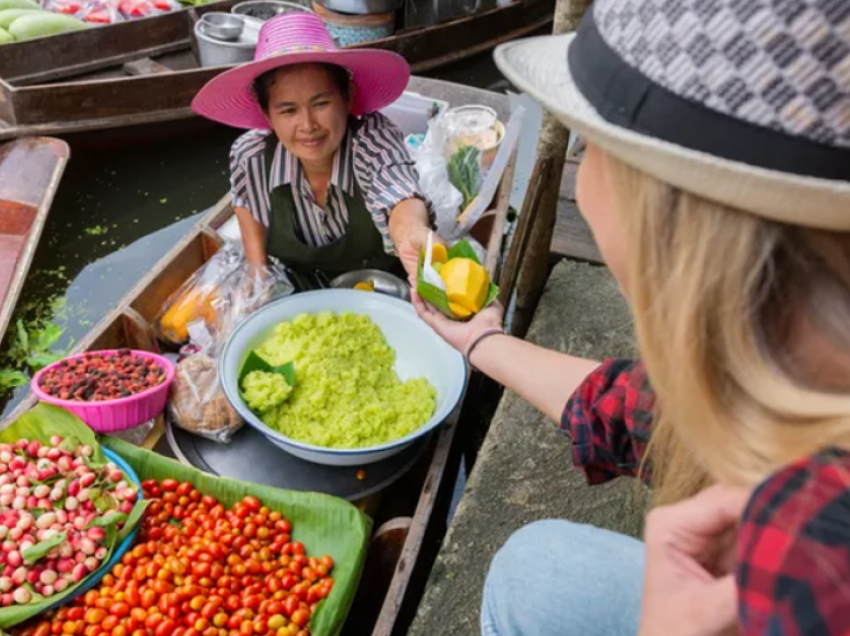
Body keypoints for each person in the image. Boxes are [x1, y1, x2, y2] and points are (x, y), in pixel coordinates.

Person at [413, 0, 850, 634]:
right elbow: (644, 411)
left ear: (676, 223)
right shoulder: (790, 367)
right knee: (533, 571)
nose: (584, 181)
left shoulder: (809, 556)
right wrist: (481, 341)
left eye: (592, 145)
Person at [192, 12, 435, 291]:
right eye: (288, 110)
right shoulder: (252, 157)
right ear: (267, 115)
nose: (308, 125)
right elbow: (246, 204)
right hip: (303, 293)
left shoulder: (373, 139)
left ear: (347, 97)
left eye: (321, 104)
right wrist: (257, 277)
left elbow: (398, 191)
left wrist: (412, 233)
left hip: (385, 290)